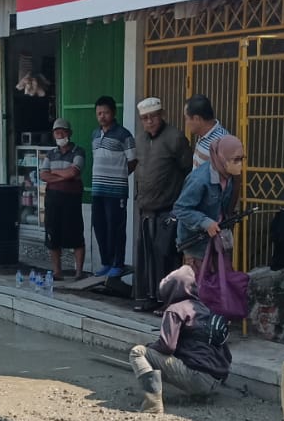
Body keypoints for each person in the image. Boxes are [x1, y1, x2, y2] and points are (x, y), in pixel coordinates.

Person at [129, 265, 231, 413]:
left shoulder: (175, 310)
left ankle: (153, 404)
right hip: (215, 380)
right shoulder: (203, 308)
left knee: (138, 353)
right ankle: (199, 395)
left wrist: (150, 348)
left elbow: (167, 346)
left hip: (196, 379)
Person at [131, 97, 193, 312]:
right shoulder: (139, 139)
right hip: (146, 209)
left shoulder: (175, 138)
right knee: (147, 258)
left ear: (162, 115)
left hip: (168, 209)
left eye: (153, 117)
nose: (150, 122)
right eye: (145, 118)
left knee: (166, 257)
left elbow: (188, 172)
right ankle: (150, 298)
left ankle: (169, 302)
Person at [172, 134, 245, 273]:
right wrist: (205, 222)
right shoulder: (200, 179)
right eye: (235, 160)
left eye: (241, 159)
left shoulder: (230, 177)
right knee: (200, 289)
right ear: (222, 158)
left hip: (218, 242)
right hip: (196, 246)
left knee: (220, 286)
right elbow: (180, 209)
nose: (240, 164)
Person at [90, 96, 136, 278]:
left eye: (106, 113)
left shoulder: (124, 135)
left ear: (114, 113)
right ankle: (106, 262)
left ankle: (118, 263)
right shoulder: (94, 134)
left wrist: (120, 176)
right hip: (97, 190)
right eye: (99, 113)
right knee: (99, 226)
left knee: (115, 227)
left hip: (116, 191)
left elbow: (133, 161)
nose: (102, 116)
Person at [41, 117, 87, 281]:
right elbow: (43, 174)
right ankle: (57, 272)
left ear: (70, 133)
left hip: (72, 198)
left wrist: (55, 174)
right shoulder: (50, 153)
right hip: (53, 198)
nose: (60, 134)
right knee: (52, 234)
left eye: (63, 131)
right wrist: (64, 175)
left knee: (75, 234)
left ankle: (79, 272)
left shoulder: (78, 151)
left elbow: (74, 172)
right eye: (56, 132)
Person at [184, 95, 229, 168]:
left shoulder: (222, 142)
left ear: (197, 119)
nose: (186, 123)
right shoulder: (203, 134)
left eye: (186, 118)